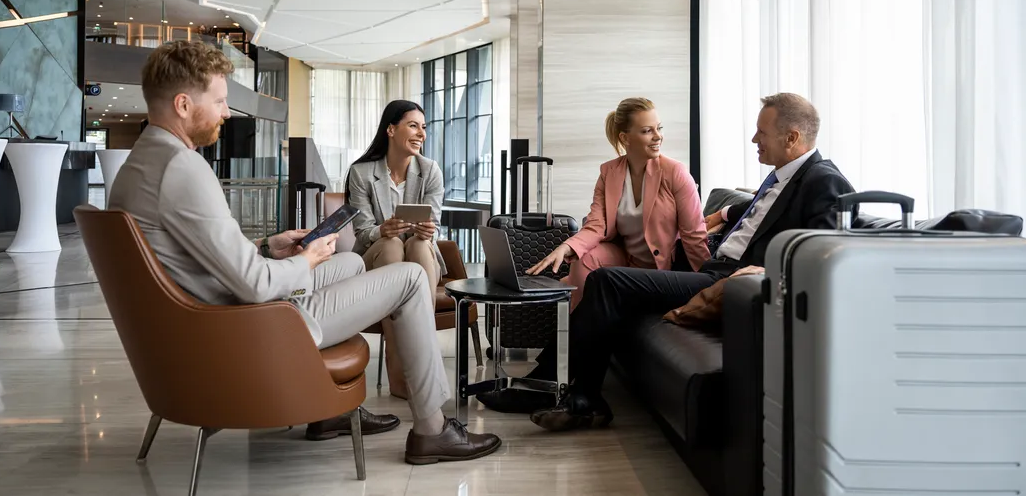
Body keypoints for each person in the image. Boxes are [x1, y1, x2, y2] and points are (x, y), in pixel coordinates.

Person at [108, 41, 500, 464]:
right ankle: (432, 430)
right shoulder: (183, 169)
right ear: (184, 104)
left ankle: (330, 410)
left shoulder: (140, 166)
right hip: (251, 326)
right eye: (220, 101)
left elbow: (196, 255)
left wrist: (267, 246)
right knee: (407, 278)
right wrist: (307, 259)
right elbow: (256, 284)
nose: (226, 112)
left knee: (349, 260)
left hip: (222, 314)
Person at [529, 92, 855, 432]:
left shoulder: (823, 180)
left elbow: (824, 252)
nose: (754, 138)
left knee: (608, 281)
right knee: (599, 277)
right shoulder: (783, 177)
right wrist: (726, 212)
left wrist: (766, 272)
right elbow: (763, 211)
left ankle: (570, 391)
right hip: (715, 269)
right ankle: (570, 392)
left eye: (762, 132)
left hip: (731, 279)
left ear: (791, 138)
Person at [526, 97, 710, 305]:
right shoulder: (609, 173)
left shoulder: (675, 172)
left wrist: (709, 285)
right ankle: (581, 333)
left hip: (661, 269)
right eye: (647, 131)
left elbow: (694, 233)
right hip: (625, 259)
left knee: (574, 283)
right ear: (625, 138)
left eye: (659, 128)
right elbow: (596, 226)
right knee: (583, 258)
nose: (658, 136)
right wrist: (566, 247)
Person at [346, 100, 444, 400]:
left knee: (417, 243)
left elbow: (434, 223)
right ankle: (408, 379)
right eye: (413, 125)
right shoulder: (361, 173)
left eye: (423, 127)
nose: (421, 133)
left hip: (420, 252)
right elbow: (363, 233)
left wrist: (428, 230)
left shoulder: (429, 170)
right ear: (391, 129)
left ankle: (418, 356)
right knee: (390, 246)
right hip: (378, 255)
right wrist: (382, 230)